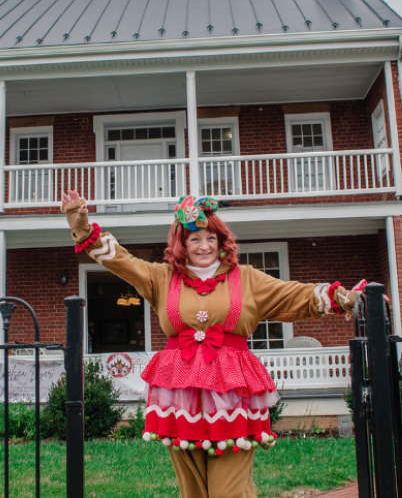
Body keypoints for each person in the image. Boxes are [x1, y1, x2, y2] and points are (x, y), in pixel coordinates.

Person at [61, 191, 363, 498]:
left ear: (221, 241)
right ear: (182, 245)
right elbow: (120, 261)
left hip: (231, 395)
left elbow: (296, 295)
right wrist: (79, 221)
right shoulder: (162, 278)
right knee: (192, 491)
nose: (204, 246)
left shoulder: (246, 279)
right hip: (180, 396)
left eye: (210, 238)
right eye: (194, 239)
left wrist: (347, 298)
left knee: (228, 491)